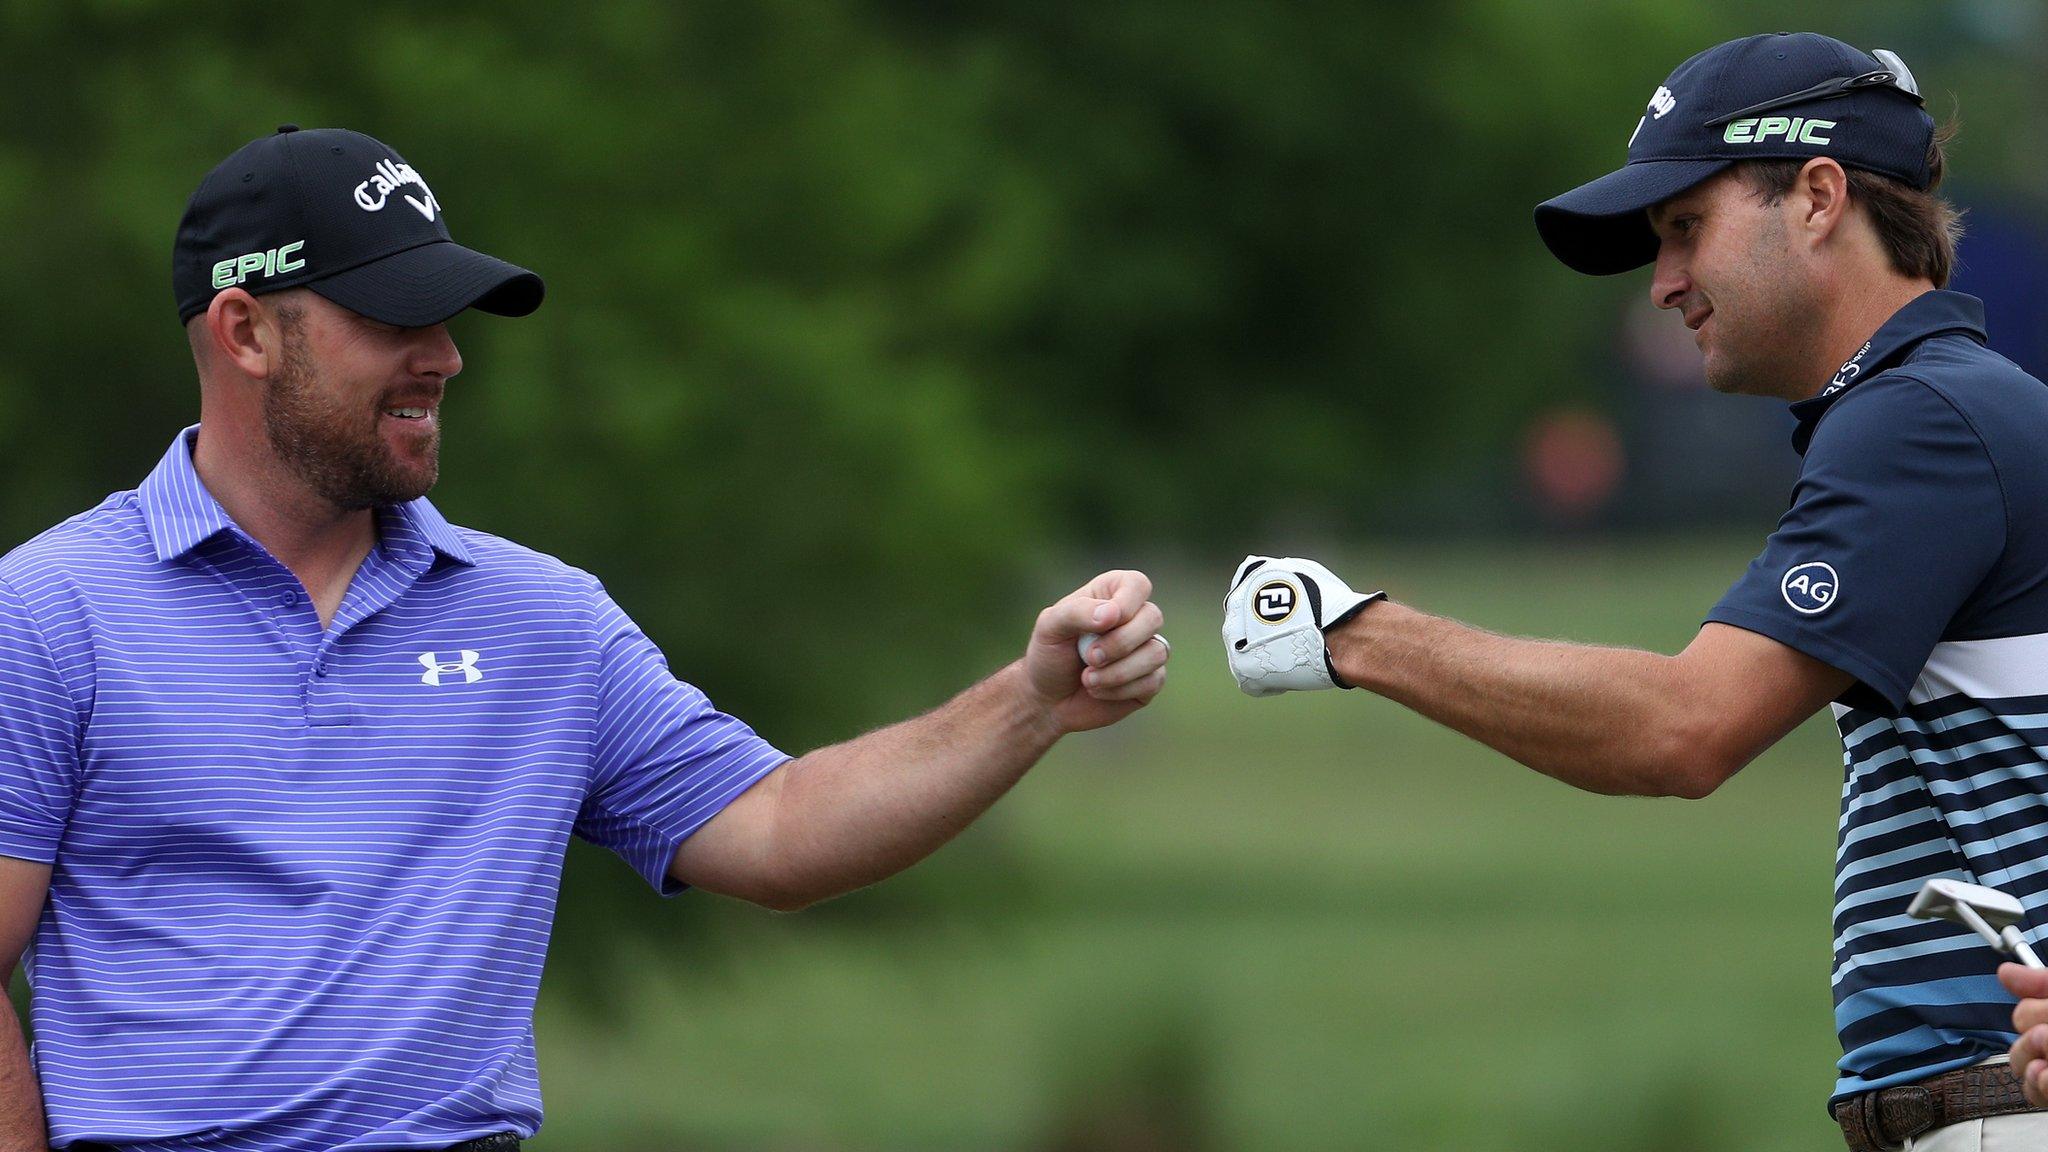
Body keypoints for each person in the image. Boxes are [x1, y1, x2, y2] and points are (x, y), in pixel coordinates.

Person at [0, 126, 1169, 1151]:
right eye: (392, 316)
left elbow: (780, 830)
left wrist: (1031, 704)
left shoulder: (539, 619)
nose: (445, 357)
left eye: (448, 320)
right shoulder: (51, 612)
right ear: (246, 331)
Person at [1221, 33, 2048, 1151]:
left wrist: (1347, 632)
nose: (1660, 285)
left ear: (1814, 197)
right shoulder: (1966, 409)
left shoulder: (1923, 419)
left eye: (1682, 230)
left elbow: (1679, 728)